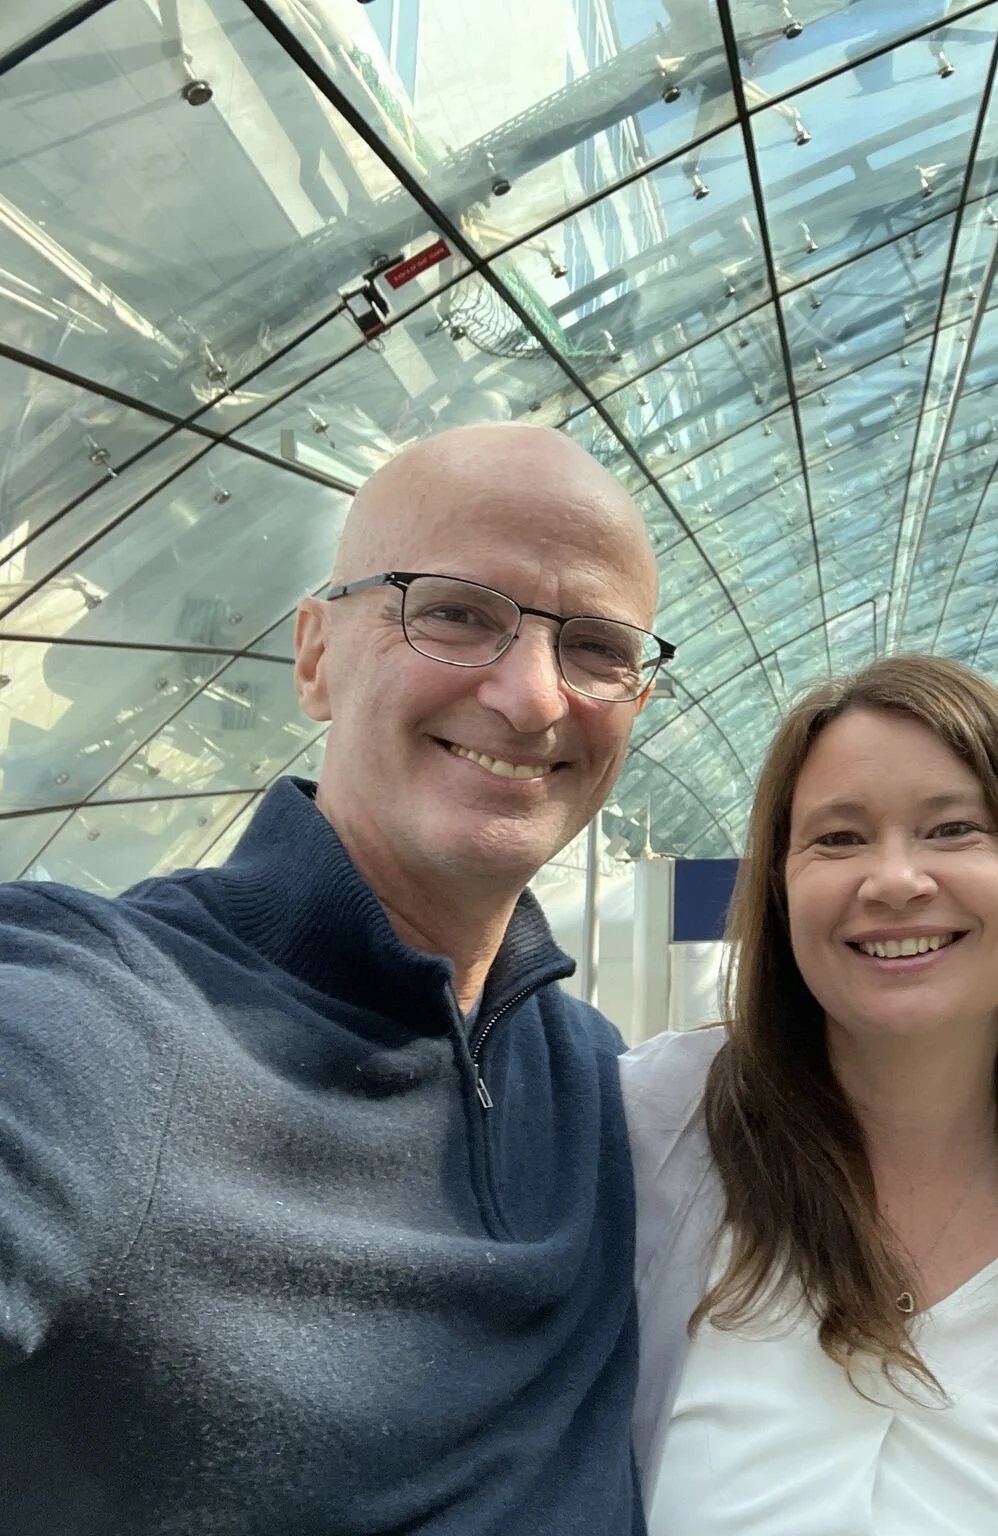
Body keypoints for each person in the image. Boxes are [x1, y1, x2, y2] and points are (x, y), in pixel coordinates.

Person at [0, 424, 665, 1534]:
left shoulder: (594, 1080)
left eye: (596, 646)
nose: (534, 698)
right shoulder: (108, 1025)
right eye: (455, 611)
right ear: (314, 655)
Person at [621, 655, 998, 1535]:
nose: (894, 880)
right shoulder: (646, 1132)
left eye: (954, 829)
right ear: (780, 890)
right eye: (838, 839)